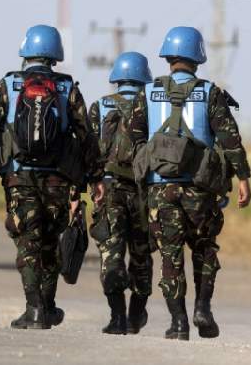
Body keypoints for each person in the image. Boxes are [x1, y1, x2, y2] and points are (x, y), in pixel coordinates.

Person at [0, 24, 103, 329]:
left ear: (26, 51)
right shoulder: (67, 88)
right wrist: (95, 178)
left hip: (19, 178)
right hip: (58, 179)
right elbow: (87, 136)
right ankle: (48, 305)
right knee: (51, 240)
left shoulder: (10, 84)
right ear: (55, 54)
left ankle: (34, 308)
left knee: (28, 240)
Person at [133, 26, 251, 340]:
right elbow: (230, 140)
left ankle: (179, 323)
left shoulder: (147, 92)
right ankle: (203, 308)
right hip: (199, 191)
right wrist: (244, 178)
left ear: (168, 56)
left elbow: (129, 140)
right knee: (204, 249)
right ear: (198, 57)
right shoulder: (210, 92)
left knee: (170, 256)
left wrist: (142, 175)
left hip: (160, 190)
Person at [87, 52, 153, 335]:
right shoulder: (152, 106)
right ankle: (136, 314)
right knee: (142, 255)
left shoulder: (100, 106)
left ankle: (117, 318)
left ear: (116, 77)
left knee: (111, 254)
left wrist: (91, 185)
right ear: (144, 78)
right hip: (143, 191)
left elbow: (88, 152)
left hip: (109, 189)